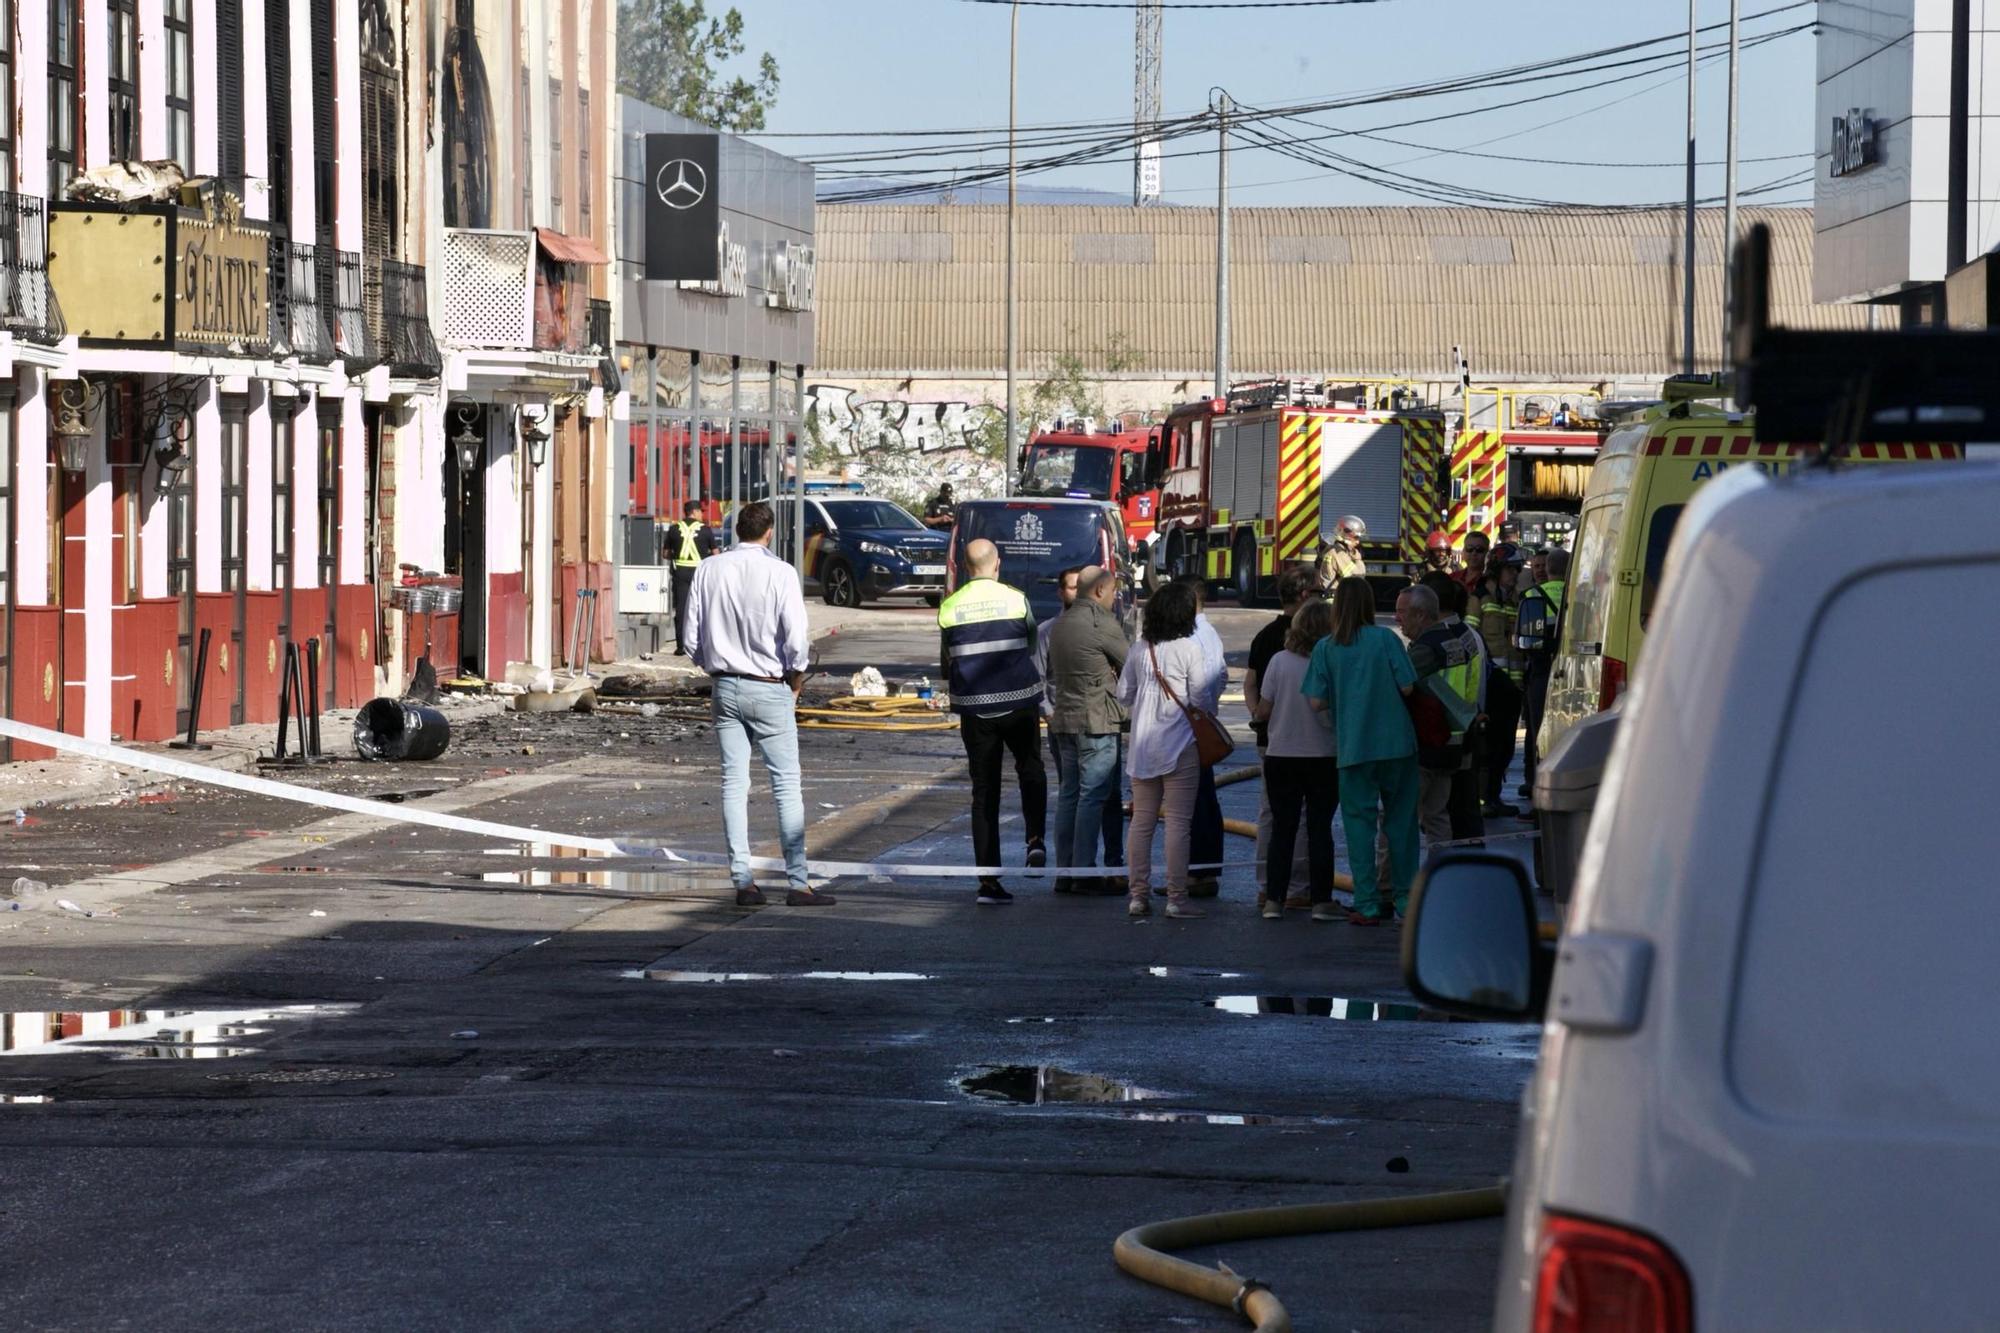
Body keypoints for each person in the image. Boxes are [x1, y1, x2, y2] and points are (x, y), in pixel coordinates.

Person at [681, 501, 831, 908]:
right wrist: (796, 680)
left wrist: (714, 665)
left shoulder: (709, 570)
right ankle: (798, 883)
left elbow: (691, 639)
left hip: (724, 686)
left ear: (735, 531)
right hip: (769, 685)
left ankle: (743, 881)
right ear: (769, 532)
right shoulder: (781, 573)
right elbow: (797, 640)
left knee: (734, 782)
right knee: (786, 784)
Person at [1303, 577, 1420, 924]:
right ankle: (1406, 901)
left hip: (1354, 747)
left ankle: (1367, 903)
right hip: (1398, 745)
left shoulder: (1326, 647)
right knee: (1401, 826)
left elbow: (1316, 701)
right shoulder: (1386, 639)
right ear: (1370, 605)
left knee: (1359, 828)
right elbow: (1409, 687)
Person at [938, 538, 1049, 905]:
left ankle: (988, 881)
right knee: (1030, 768)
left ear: (967, 567)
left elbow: (948, 654)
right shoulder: (1016, 599)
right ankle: (1035, 839)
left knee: (984, 792)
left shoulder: (950, 607)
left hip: (975, 709)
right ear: (997, 564)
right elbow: (1031, 643)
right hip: (1019, 702)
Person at [1118, 580, 1210, 919]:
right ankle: (1176, 898)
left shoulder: (1141, 649)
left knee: (1141, 822)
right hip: (1181, 744)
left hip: (1143, 746)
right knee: (1178, 824)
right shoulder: (1190, 649)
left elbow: (1122, 694)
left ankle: (1138, 896)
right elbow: (1200, 700)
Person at [1251, 597, 1341, 922]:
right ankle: (1321, 901)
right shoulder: (1332, 661)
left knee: (1282, 829)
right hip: (1323, 755)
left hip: (1281, 754)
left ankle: (1274, 899)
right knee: (1319, 829)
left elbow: (1264, 708)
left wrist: (1260, 718)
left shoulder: (1278, 661)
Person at [1046, 565, 1129, 893]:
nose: (1114, 598)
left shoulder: (1060, 623)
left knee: (1069, 795)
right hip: (1096, 720)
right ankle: (1085, 873)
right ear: (1098, 591)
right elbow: (1131, 665)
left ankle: (1065, 872)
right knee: (1092, 796)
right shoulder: (1101, 622)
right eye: (1112, 592)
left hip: (1064, 720)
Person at [1243, 566, 1317, 909]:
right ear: (1303, 595)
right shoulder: (1316, 635)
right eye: (1317, 592)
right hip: (1310, 739)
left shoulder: (1264, 636)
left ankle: (1266, 885)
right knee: (1301, 817)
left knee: (1270, 813)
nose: (1321, 598)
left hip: (1271, 740)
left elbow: (1250, 682)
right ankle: (1297, 889)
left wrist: (1258, 716)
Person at [1400, 578, 1485, 846]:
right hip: (1456, 742)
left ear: (1422, 613)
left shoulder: (1426, 648)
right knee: (1438, 816)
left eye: (1402, 612)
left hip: (1426, 744)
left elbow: (1399, 686)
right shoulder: (1463, 638)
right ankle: (1443, 875)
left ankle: (1393, 885)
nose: (1397, 618)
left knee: (1400, 818)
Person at [1173, 574, 1229, 897]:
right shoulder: (1210, 633)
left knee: (1191, 803)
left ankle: (1194, 873)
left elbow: (1199, 686)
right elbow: (1220, 677)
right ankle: (1205, 870)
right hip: (1203, 725)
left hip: (1188, 728)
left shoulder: (1190, 635)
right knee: (1205, 799)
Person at [1474, 544, 1526, 817]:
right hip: (1489, 684)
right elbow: (1471, 637)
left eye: (1517, 569)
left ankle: (1494, 796)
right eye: (1510, 569)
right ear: (1496, 568)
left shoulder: (1516, 599)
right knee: (1487, 746)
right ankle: (1483, 800)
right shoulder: (1481, 596)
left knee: (1506, 746)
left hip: (1512, 687)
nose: (1515, 574)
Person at [1516, 547, 1570, 801]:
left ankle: (1536, 784)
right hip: (1571, 670)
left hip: (1539, 670)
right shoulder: (1581, 596)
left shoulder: (1531, 596)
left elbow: (1521, 639)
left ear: (1547, 569)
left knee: (1537, 730)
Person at [663, 500, 715, 658]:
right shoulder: (705, 530)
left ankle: (681, 646)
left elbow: (665, 554)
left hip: (680, 573)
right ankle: (701, 644)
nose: (702, 515)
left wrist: (677, 556)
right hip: (700, 573)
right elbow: (716, 553)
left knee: (681, 609)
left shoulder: (674, 529)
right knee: (703, 608)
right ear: (695, 512)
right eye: (701, 512)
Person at [1317, 515, 1368, 594]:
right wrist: (1357, 558)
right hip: (1334, 598)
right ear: (1346, 536)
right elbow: (1357, 577)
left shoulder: (1336, 550)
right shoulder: (1338, 553)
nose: (1358, 542)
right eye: (1356, 538)